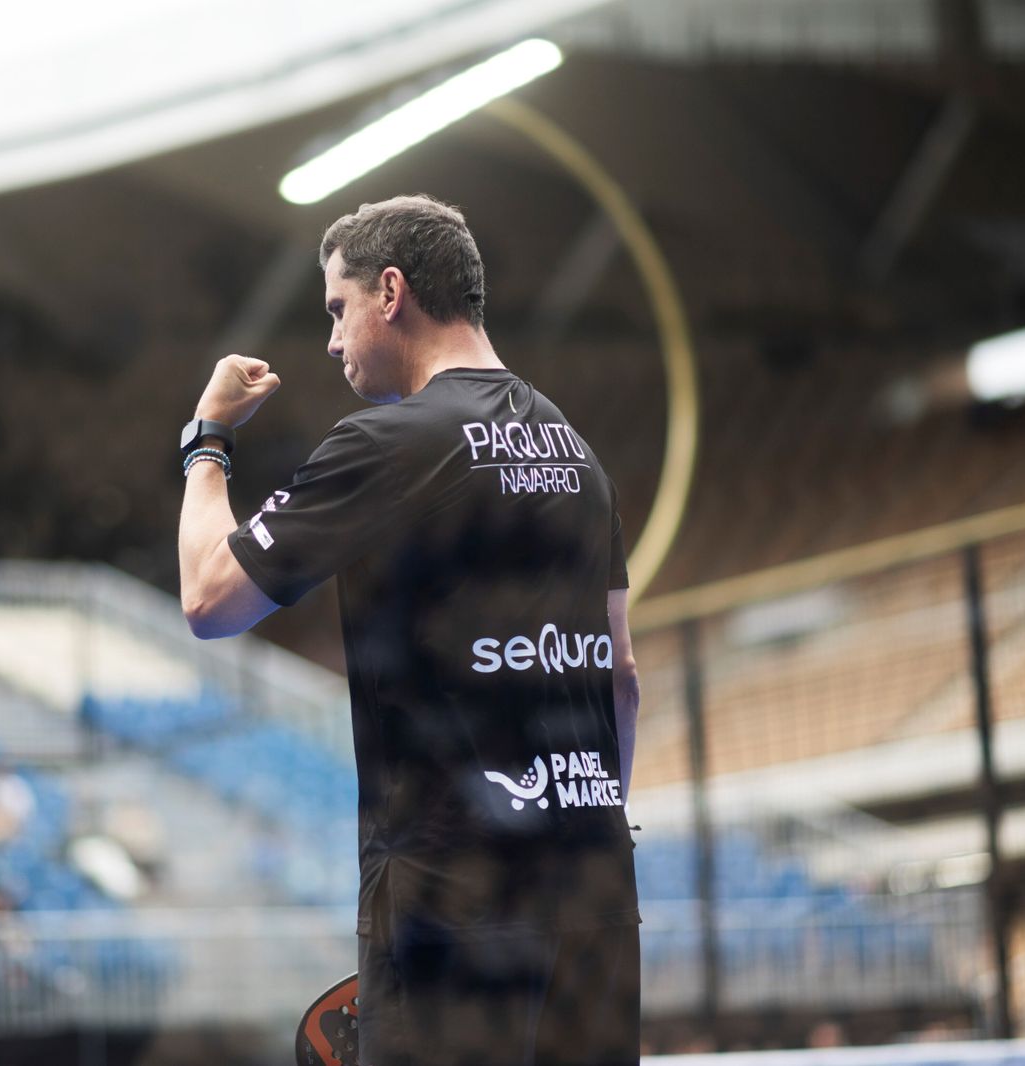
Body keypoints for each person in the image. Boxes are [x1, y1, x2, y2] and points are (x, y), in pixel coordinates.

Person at [179, 195, 641, 1065]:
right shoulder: (580, 454)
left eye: (337, 308)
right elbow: (621, 675)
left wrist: (206, 443)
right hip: (595, 886)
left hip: (448, 896)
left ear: (390, 291)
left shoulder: (390, 443)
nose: (330, 339)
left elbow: (210, 599)